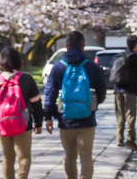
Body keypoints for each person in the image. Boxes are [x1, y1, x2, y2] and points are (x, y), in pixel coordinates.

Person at [42, 31, 107, 179]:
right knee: (86, 156)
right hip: (87, 118)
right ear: (83, 46)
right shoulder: (91, 66)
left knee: (70, 156)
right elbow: (102, 90)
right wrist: (94, 105)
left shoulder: (58, 67)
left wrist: (48, 116)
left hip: (66, 119)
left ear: (66, 46)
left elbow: (50, 93)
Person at [0, 46, 43, 179]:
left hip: (2, 123)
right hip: (23, 123)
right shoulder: (26, 79)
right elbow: (36, 103)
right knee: (24, 156)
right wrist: (39, 123)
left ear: (1, 61)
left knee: (7, 158)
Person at [110, 35, 137, 150]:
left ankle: (119, 138)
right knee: (130, 115)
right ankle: (130, 139)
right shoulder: (136, 58)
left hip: (118, 89)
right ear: (136, 45)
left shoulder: (119, 57)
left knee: (120, 114)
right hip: (130, 90)